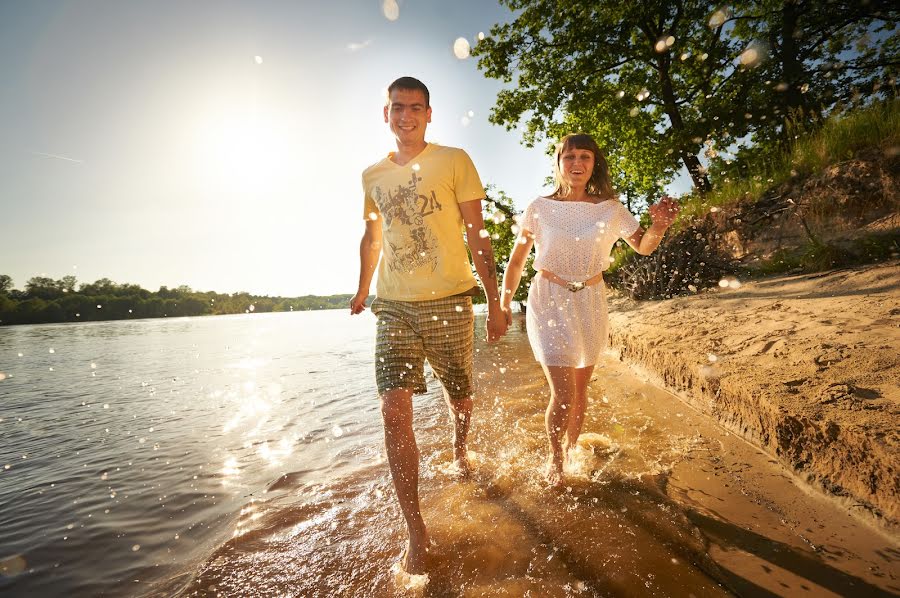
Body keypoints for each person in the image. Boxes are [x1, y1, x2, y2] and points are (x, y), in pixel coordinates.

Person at [350, 76, 508, 574]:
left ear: (429, 113)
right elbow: (372, 237)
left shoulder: (455, 160)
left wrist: (494, 298)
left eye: (415, 108)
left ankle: (461, 448)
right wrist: (361, 288)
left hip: (451, 300)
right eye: (398, 108)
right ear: (386, 113)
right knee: (393, 409)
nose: (406, 116)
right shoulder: (372, 175)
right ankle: (415, 531)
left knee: (459, 395)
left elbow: (477, 232)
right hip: (393, 304)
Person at [500, 133, 679, 487]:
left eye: (585, 157)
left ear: (594, 164)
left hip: (591, 300)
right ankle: (554, 462)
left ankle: (569, 452)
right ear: (558, 163)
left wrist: (659, 226)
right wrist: (503, 303)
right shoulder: (539, 206)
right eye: (569, 157)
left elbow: (643, 247)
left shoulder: (611, 208)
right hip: (548, 297)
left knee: (580, 390)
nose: (577, 164)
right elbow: (517, 260)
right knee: (563, 393)